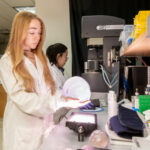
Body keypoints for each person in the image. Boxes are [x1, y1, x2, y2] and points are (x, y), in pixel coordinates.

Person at [0, 11, 90, 150]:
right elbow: (23, 99)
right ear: (20, 32)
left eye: (40, 32)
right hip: (22, 132)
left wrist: (67, 97)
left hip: (45, 126)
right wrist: (60, 101)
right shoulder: (7, 61)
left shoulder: (41, 59)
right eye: (32, 32)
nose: (37, 37)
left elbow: (50, 90)